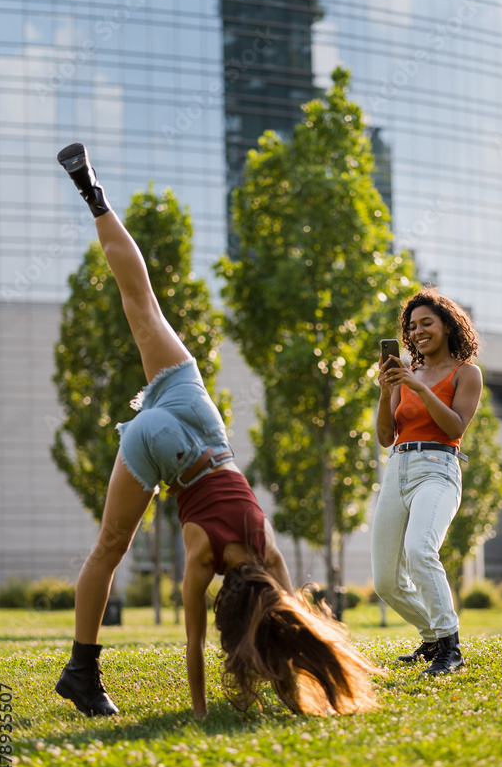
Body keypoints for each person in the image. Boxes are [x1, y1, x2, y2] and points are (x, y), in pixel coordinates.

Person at [54, 143, 378, 719]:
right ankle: (80, 670)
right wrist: (202, 713)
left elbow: (289, 618)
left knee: (143, 302)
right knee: (107, 549)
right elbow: (196, 646)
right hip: (155, 442)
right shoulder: (202, 559)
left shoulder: (268, 550)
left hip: (201, 424)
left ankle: (93, 195)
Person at [372, 287, 482, 674]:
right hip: (397, 469)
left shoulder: (466, 373)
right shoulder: (406, 376)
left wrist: (418, 387)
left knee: (420, 550)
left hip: (438, 468)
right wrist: (387, 392)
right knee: (386, 580)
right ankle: (433, 638)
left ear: (447, 326)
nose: (417, 332)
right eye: (412, 326)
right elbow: (386, 436)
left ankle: (451, 647)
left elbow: (455, 426)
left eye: (426, 323)